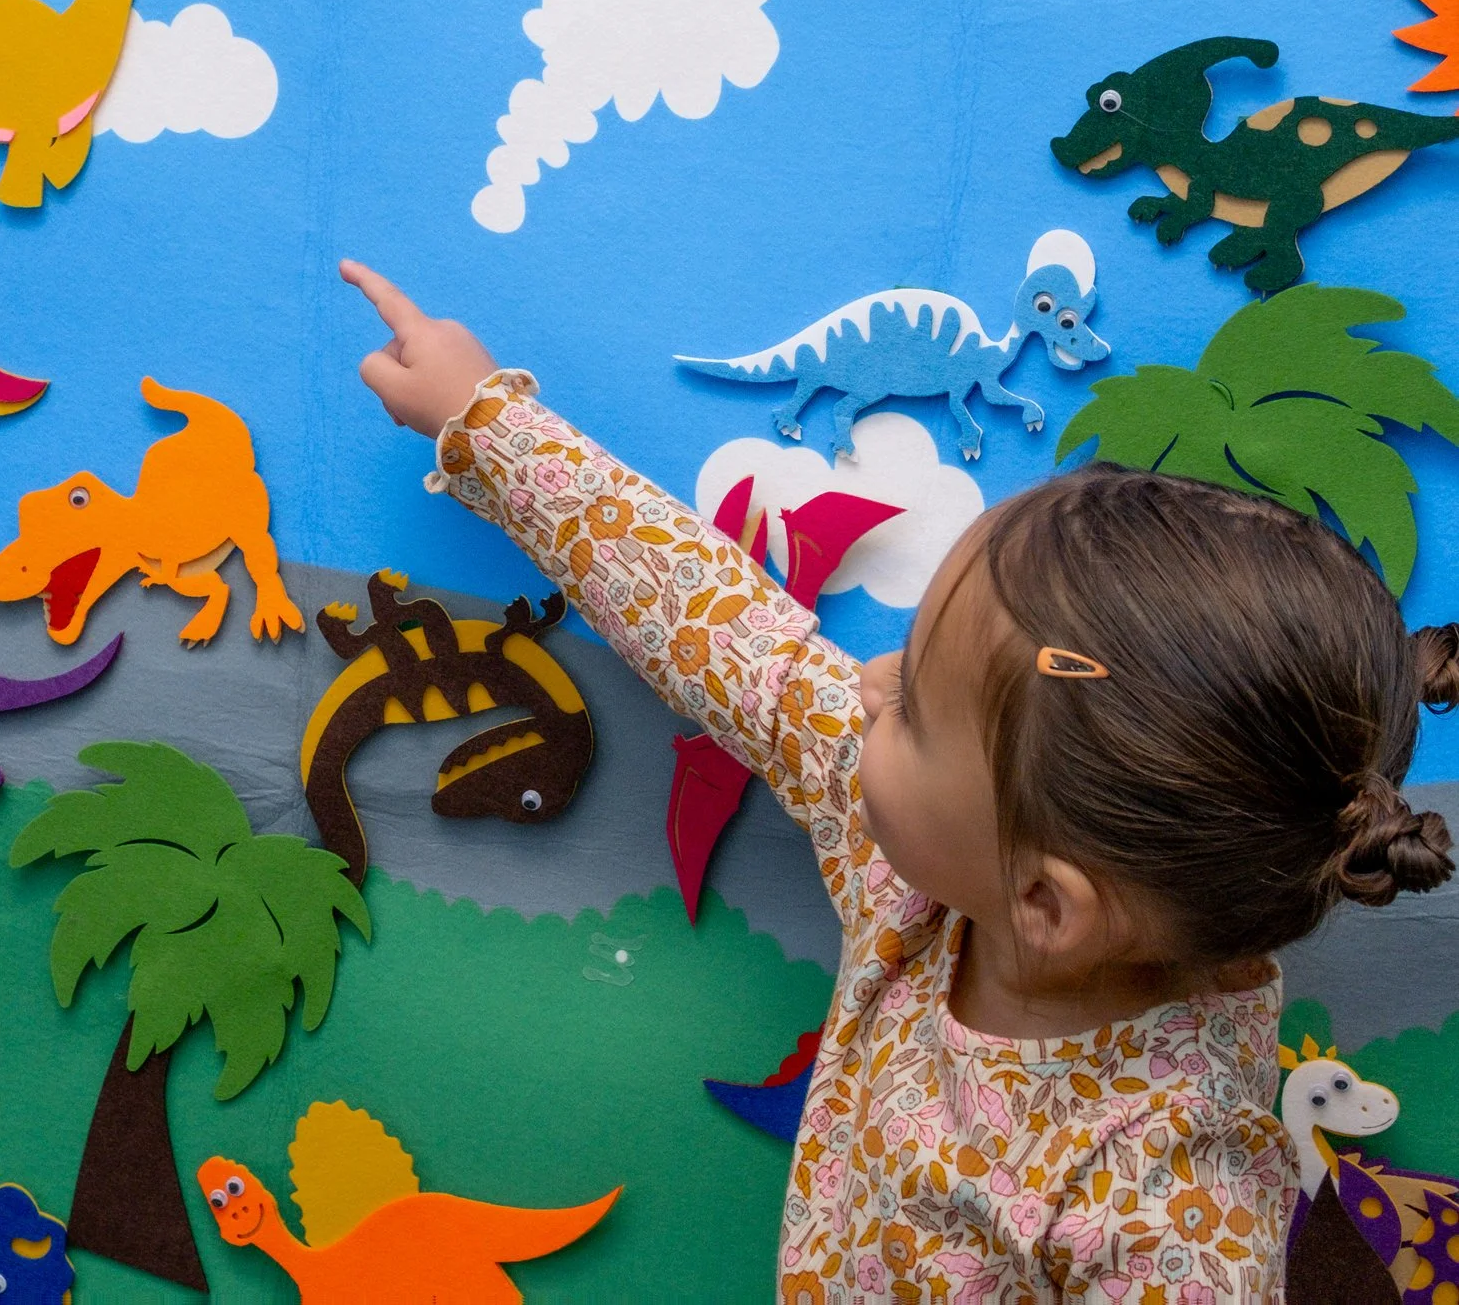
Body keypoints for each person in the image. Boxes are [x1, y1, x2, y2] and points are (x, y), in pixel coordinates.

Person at [341, 258, 1457, 1299]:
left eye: (914, 703)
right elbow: (724, 633)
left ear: (1047, 902)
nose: (867, 682)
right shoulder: (934, 876)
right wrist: (486, 422)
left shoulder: (1169, 1211)